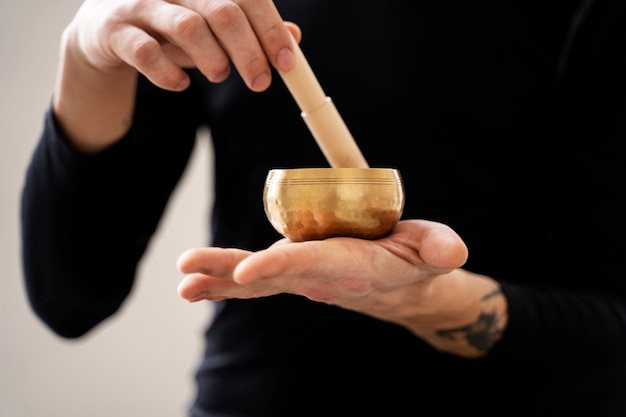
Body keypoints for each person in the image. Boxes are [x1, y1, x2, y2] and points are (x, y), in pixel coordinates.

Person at [20, 0, 626, 415]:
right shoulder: (205, 6)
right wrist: (87, 58)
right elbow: (71, 296)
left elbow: (610, 336)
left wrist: (422, 299)